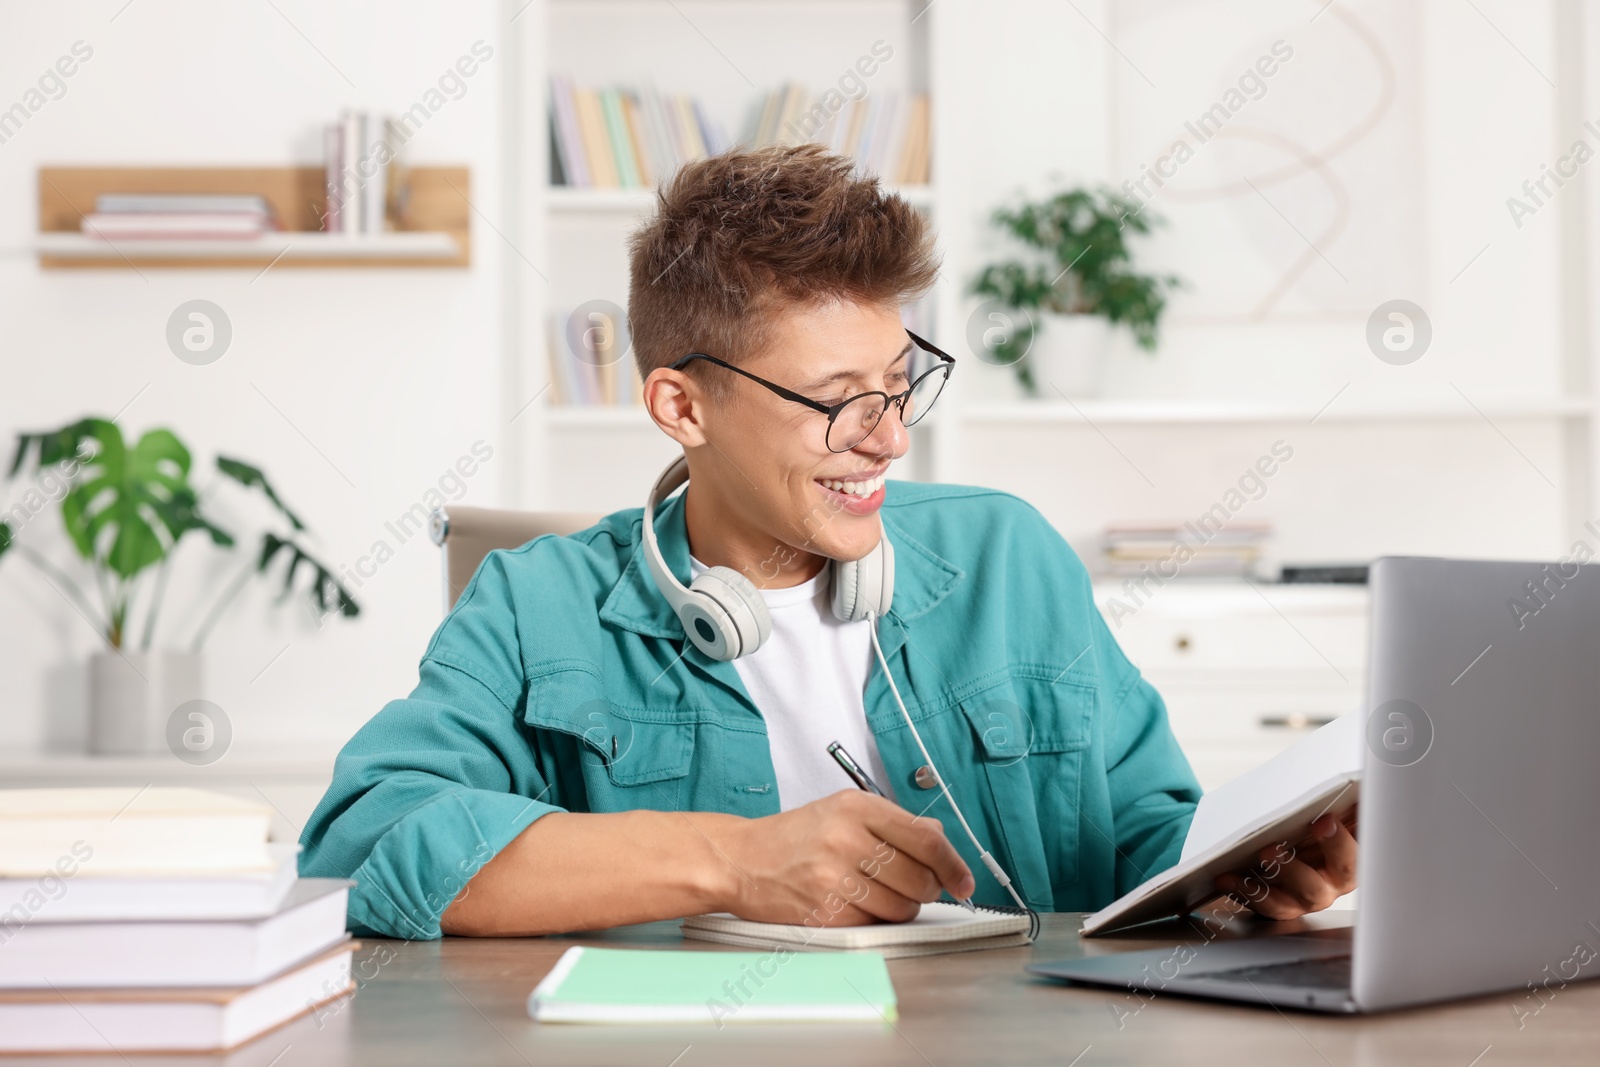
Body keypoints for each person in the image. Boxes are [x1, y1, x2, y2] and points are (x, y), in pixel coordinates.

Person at [298, 144, 1356, 939]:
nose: (889, 437)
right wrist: (730, 859)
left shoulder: (1008, 558)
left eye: (900, 386)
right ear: (681, 405)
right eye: (838, 401)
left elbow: (1137, 843)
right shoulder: (539, 605)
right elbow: (364, 851)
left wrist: (1232, 877)